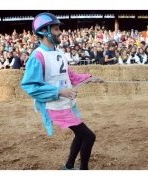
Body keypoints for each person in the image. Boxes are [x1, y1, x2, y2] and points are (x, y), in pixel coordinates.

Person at [21, 12, 103, 170]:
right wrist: (59, 91)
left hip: (67, 104)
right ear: (44, 31)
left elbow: (70, 75)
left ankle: (69, 166)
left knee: (80, 135)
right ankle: (83, 170)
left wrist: (89, 78)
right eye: (57, 29)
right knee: (89, 136)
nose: (60, 32)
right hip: (56, 107)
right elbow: (30, 86)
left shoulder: (59, 52)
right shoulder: (37, 57)